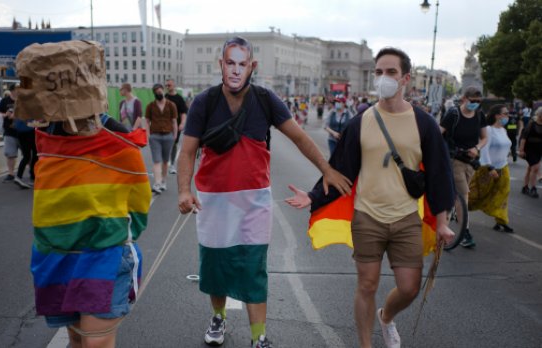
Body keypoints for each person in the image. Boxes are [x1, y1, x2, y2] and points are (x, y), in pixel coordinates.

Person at [177, 36, 351, 348]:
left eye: (242, 64)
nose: (235, 70)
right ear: (221, 64)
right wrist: (183, 191)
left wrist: (326, 169)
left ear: (252, 66)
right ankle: (218, 317)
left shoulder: (265, 99)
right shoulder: (205, 102)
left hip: (254, 201)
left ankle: (259, 338)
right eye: (230, 62)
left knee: (253, 268)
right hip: (213, 201)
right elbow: (188, 151)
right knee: (215, 266)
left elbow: (299, 137)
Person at [285, 47, 455, 348]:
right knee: (366, 284)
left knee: (410, 287)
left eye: (390, 72)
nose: (383, 78)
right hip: (367, 217)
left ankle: (386, 316)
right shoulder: (361, 120)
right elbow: (340, 170)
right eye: (378, 72)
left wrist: (442, 223)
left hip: (405, 219)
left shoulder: (423, 123)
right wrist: (313, 196)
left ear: (406, 79)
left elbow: (440, 174)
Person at [16, 40, 151, 348]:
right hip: (56, 257)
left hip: (104, 254)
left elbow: (139, 208)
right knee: (77, 339)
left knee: (94, 342)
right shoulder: (47, 142)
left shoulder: (119, 144)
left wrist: (110, 232)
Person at [440, 86, 488, 248]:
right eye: (473, 101)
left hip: (471, 161)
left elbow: (484, 138)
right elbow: (438, 133)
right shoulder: (453, 114)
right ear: (464, 99)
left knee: (457, 196)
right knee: (464, 193)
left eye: (478, 102)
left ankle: (443, 221)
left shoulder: (479, 115)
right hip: (454, 160)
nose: (476, 104)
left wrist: (477, 148)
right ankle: (465, 232)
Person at [468, 104, 513, 232]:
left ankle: (501, 220)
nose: (507, 116)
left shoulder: (503, 130)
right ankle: (457, 208)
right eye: (505, 113)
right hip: (487, 168)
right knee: (476, 195)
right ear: (497, 115)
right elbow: (485, 151)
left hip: (503, 166)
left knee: (504, 192)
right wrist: (490, 167)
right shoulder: (488, 130)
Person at [145, 83, 178, 194]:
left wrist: (175, 135)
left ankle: (163, 181)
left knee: (165, 161)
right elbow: (147, 121)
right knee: (156, 161)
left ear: (163, 91)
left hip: (168, 136)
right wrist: (148, 135)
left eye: (159, 91)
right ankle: (157, 183)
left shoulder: (171, 105)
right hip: (155, 136)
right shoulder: (150, 106)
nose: (158, 93)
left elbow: (174, 121)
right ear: (154, 93)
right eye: (156, 92)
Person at [0, 84, 20, 183]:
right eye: (16, 89)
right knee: (10, 154)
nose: (18, 91)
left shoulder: (23, 100)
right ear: (12, 91)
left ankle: (33, 172)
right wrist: (5, 115)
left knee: (28, 154)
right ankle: (11, 173)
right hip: (9, 131)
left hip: (23, 131)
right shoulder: (4, 101)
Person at [165, 78, 188, 174]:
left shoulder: (179, 99)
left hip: (176, 126)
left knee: (173, 144)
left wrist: (182, 123)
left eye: (169, 85)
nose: (167, 87)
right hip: (164, 125)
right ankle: (164, 164)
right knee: (165, 144)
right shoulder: (164, 97)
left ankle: (172, 164)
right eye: (166, 85)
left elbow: (183, 113)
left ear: (174, 85)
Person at [518, 107, 542, 198]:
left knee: (530, 169)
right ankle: (533, 188)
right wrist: (521, 150)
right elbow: (524, 137)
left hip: (539, 149)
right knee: (535, 168)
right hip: (530, 149)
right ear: (539, 115)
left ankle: (525, 187)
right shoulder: (532, 124)